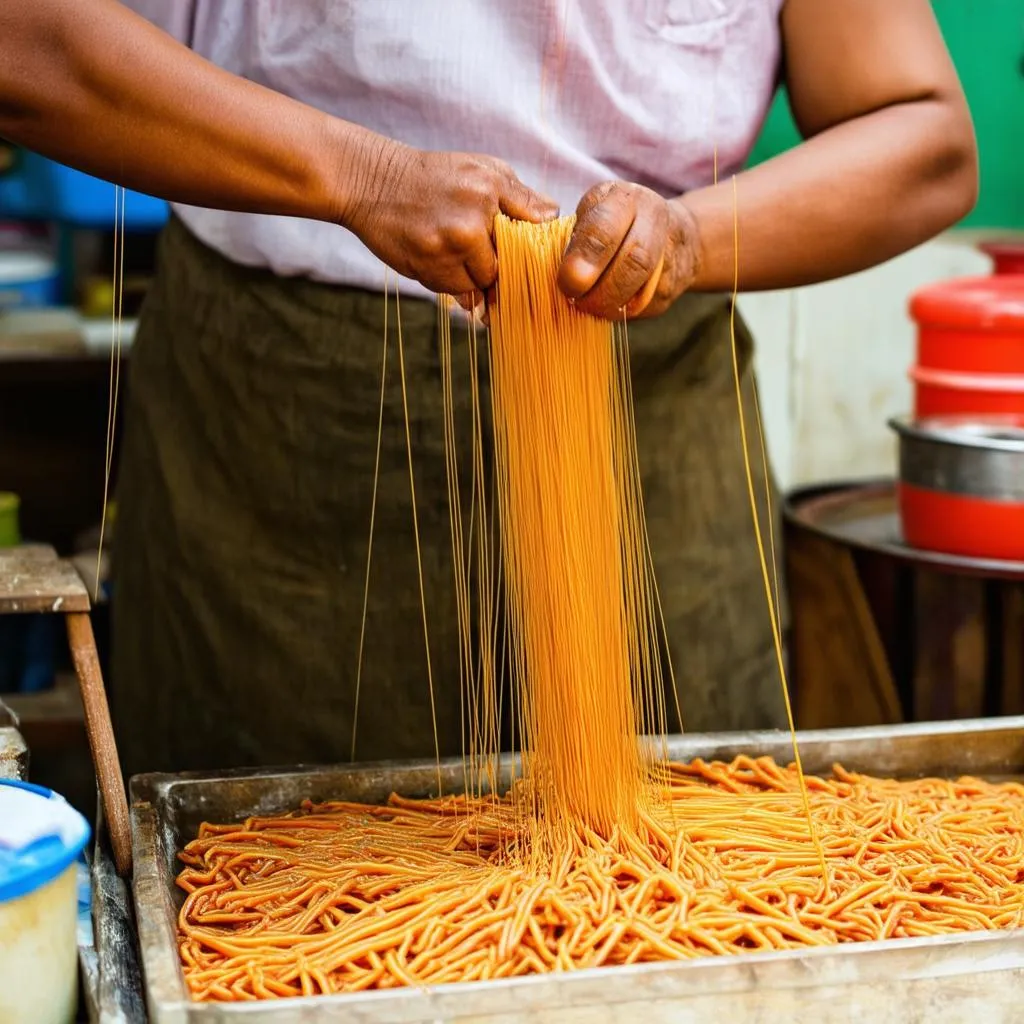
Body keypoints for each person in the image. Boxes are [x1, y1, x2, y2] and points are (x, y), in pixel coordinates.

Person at [1, 0, 977, 776]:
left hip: (646, 408)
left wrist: (684, 237)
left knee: (679, 851)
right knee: (270, 856)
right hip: (286, 421)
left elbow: (923, 135)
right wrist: (355, 173)